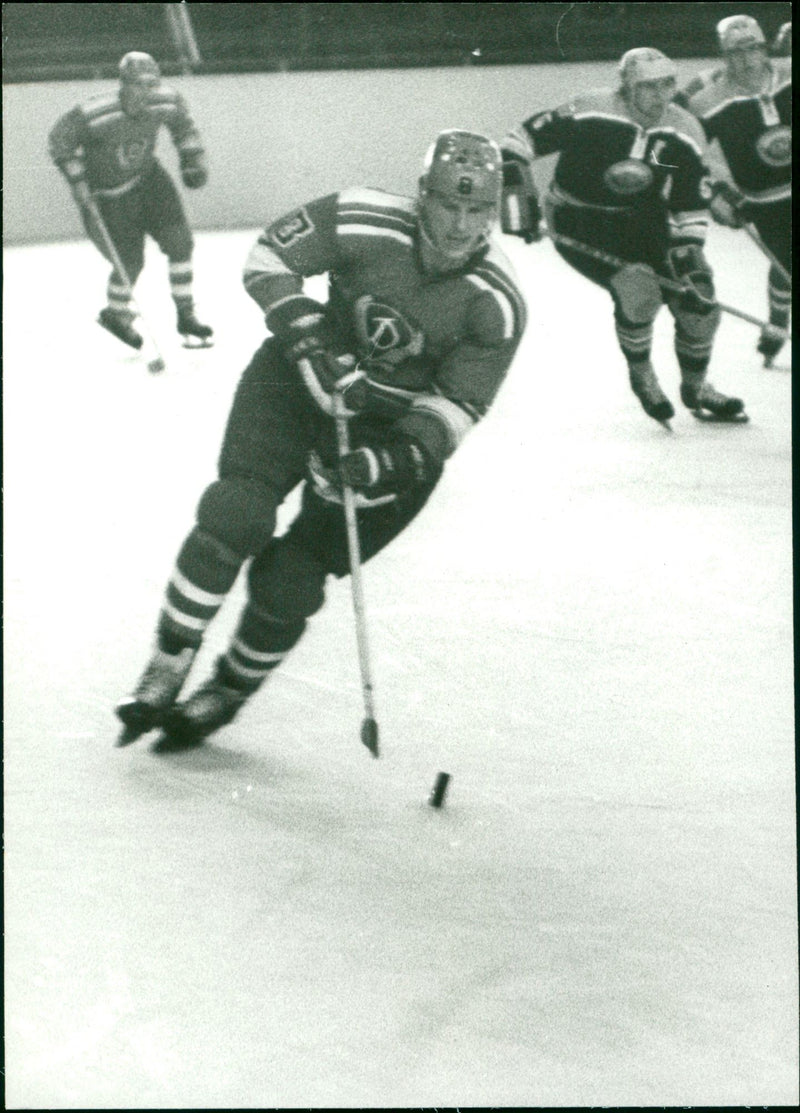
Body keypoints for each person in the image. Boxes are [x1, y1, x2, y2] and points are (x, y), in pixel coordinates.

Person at [115, 130, 527, 750]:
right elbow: (268, 256)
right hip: (294, 381)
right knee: (237, 512)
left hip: (387, 433)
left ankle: (228, 689)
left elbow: (459, 403)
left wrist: (391, 460)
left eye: (476, 211)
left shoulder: (496, 300)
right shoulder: (363, 217)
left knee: (294, 578)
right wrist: (306, 332)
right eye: (448, 204)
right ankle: (168, 661)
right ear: (423, 196)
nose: (459, 225)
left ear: (492, 213)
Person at [500, 46, 746, 427]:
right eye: (648, 87)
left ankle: (696, 388)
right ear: (625, 87)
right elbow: (518, 142)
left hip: (643, 220)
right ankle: (642, 371)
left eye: (667, 85)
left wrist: (689, 254)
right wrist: (519, 194)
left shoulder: (684, 128)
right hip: (577, 217)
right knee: (639, 291)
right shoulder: (589, 109)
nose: (660, 97)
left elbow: (687, 202)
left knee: (701, 303)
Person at [48, 51, 213, 351]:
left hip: (148, 180)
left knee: (180, 242)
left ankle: (186, 313)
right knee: (129, 261)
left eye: (152, 85)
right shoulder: (95, 112)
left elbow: (183, 125)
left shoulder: (166, 100)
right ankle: (116, 315)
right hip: (108, 196)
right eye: (139, 85)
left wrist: (192, 160)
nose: (146, 93)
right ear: (123, 84)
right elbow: (60, 140)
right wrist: (78, 180)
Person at [675, 16, 791, 368]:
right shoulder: (706, 99)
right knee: (786, 262)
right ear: (723, 54)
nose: (746, 58)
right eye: (735, 51)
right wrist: (713, 195)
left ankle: (776, 324)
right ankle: (778, 324)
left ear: (764, 47)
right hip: (763, 198)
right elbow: (674, 152)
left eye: (753, 47)